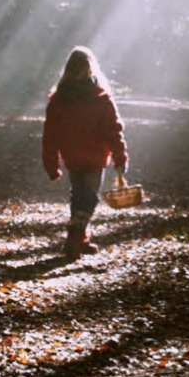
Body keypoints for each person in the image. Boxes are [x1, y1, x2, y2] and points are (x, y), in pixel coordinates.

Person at [41, 46, 129, 258]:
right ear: (90, 69)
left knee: (78, 195)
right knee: (89, 198)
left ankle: (80, 239)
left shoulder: (59, 99)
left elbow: (50, 134)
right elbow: (113, 131)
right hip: (95, 156)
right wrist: (120, 157)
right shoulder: (101, 98)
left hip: (72, 156)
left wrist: (51, 164)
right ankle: (76, 235)